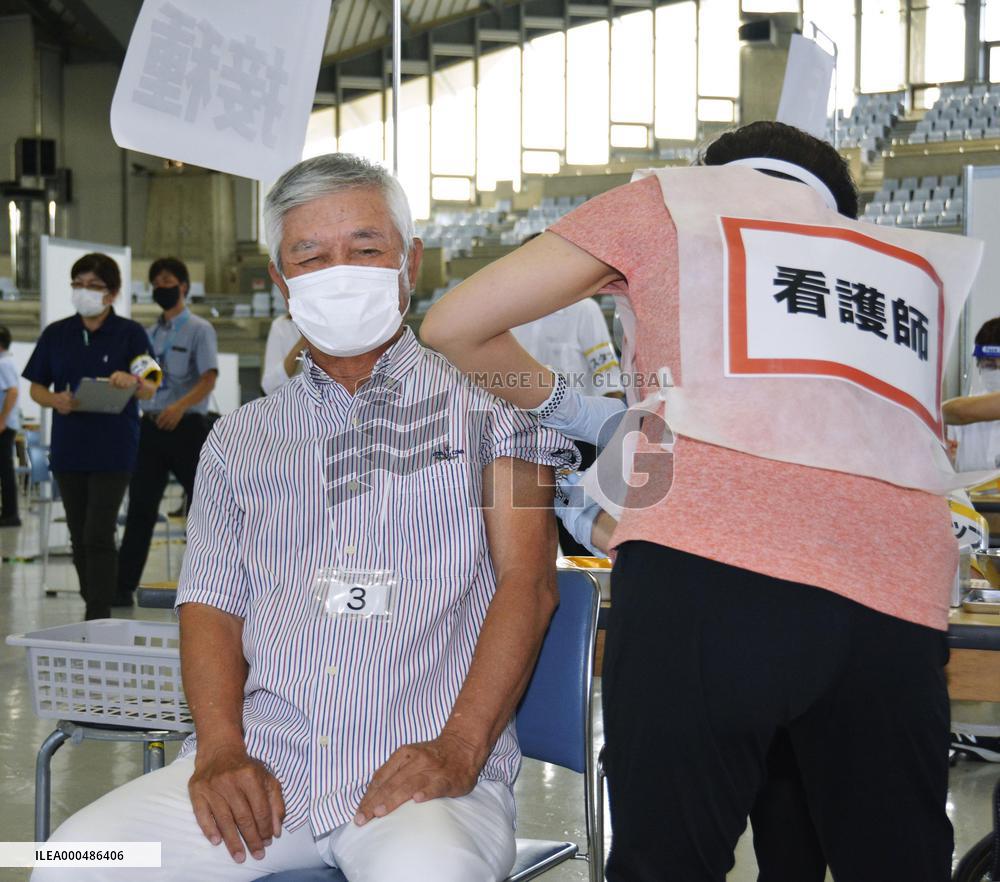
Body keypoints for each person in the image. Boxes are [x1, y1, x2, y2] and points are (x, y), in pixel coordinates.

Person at [422, 121, 978, 882]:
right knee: (892, 862)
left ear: (707, 174)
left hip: (709, 574)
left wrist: (559, 404)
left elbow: (453, 325)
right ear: (840, 208)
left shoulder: (672, 204)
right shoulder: (900, 263)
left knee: (669, 863)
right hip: (896, 599)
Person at [33, 153, 573, 882]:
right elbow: (211, 606)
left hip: (424, 777)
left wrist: (458, 747)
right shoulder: (238, 441)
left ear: (409, 263)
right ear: (282, 283)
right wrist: (222, 750)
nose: (339, 272)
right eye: (311, 257)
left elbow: (529, 583)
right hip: (264, 771)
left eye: (366, 249)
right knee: (76, 859)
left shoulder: (503, 417)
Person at [21, 254, 158, 619]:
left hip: (114, 448)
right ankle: (92, 598)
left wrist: (134, 381)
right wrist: (54, 399)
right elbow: (36, 387)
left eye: (93, 286)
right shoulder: (58, 333)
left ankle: (99, 612)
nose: (84, 292)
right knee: (80, 534)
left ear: (112, 294)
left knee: (99, 531)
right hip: (70, 449)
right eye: (78, 284)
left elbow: (151, 389)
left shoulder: (131, 334)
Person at [115, 257, 218, 606]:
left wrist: (180, 406)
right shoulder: (146, 334)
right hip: (151, 426)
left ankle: (210, 584)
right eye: (156, 282)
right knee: (141, 508)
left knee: (203, 507)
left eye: (168, 280)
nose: (162, 287)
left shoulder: (200, 329)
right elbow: (147, 380)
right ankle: (122, 586)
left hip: (187, 426)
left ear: (184, 286)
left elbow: (208, 378)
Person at [0, 325, 21, 527]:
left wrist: (2, 420)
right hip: (7, 423)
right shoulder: (6, 362)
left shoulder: (4, 364)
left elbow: (12, 392)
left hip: (4, 425)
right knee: (5, 469)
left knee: (5, 469)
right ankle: (8, 512)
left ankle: (10, 514)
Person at [261, 312, 307, 394]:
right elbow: (269, 385)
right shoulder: (282, 325)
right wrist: (301, 344)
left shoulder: (332, 324)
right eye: (285, 298)